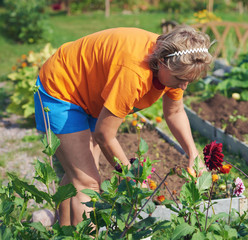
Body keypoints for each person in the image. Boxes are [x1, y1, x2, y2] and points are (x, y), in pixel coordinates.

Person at [34, 25, 213, 226]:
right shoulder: (134, 73)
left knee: (78, 175)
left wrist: (193, 153)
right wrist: (131, 175)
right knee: (88, 184)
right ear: (162, 63)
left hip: (94, 92)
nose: (183, 86)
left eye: (189, 81)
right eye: (180, 80)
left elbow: (175, 111)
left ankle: (62, 231)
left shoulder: (176, 60)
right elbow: (104, 135)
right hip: (63, 88)